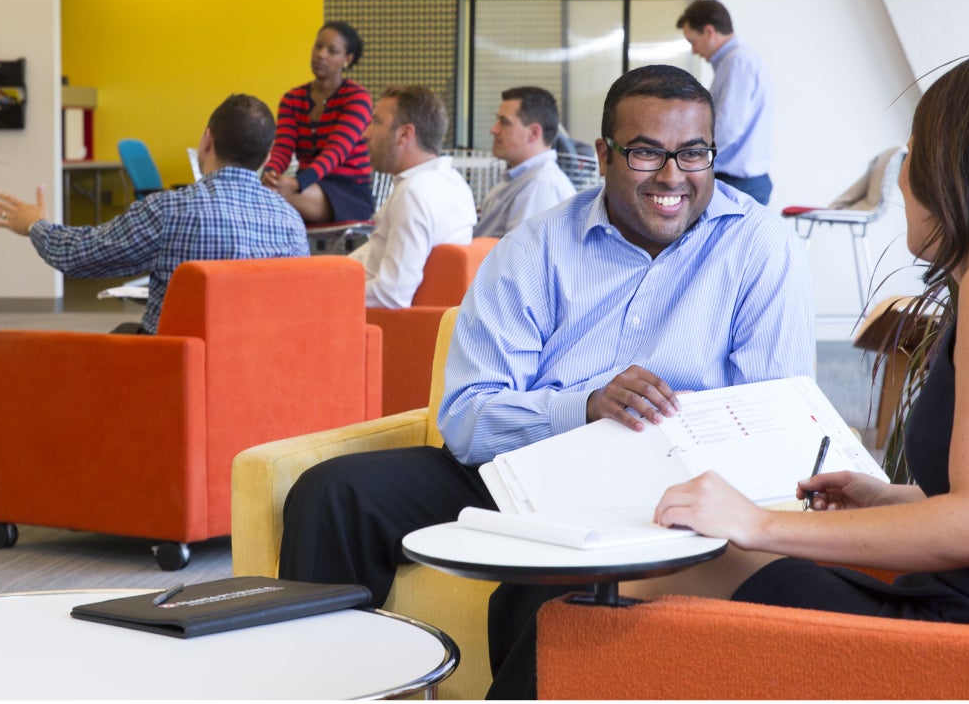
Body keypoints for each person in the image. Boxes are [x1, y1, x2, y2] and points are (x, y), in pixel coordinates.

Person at [493, 47, 969, 697]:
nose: (905, 182)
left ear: (962, 166)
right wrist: (882, 498)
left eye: (914, 155)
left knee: (602, 588)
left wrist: (757, 521)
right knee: (620, 576)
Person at [276, 65, 815, 692]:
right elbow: (468, 419)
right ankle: (324, 687)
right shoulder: (535, 249)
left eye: (693, 154)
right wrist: (583, 408)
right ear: (603, 154)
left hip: (663, 495)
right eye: (645, 153)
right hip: (524, 466)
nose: (673, 176)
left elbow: (765, 428)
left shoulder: (760, 249)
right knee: (333, 492)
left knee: (543, 595)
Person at [0, 94, 309, 536]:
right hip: (254, 382)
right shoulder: (290, 223)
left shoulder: (173, 209)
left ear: (207, 140)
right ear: (267, 155)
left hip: (170, 380)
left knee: (26, 357)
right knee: (124, 331)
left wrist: (35, 224)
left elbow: (81, 256)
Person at [348, 85, 476, 308]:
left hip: (368, 323)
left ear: (405, 134)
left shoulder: (414, 193)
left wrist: (325, 292)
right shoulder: (454, 184)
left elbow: (391, 295)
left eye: (377, 122)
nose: (365, 133)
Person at [261, 21, 375, 224]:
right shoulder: (292, 99)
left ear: (347, 59)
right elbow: (282, 149)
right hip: (305, 187)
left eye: (332, 51)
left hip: (347, 192)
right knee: (269, 189)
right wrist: (270, 173)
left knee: (272, 194)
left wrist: (297, 183)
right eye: (318, 46)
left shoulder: (357, 98)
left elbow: (336, 152)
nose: (321, 54)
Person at [677, 0, 775, 205]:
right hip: (741, 181)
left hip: (738, 182)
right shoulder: (737, 61)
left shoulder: (737, 62)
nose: (694, 51)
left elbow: (727, 127)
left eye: (693, 41)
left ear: (709, 32)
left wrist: (691, 157)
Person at [474, 86, 576, 238]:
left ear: (534, 133)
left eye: (504, 122)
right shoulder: (522, 180)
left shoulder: (540, 186)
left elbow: (522, 258)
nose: (493, 129)